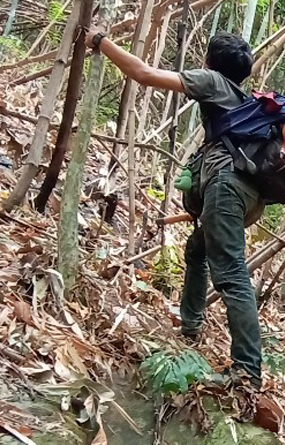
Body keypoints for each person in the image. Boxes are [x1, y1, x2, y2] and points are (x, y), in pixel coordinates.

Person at [89, 29, 264, 386]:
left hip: (226, 188)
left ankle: (247, 371)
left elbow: (144, 74)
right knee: (197, 249)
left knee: (231, 273)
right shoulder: (244, 101)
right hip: (251, 196)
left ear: (211, 63)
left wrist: (100, 42)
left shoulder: (213, 81)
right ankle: (191, 325)